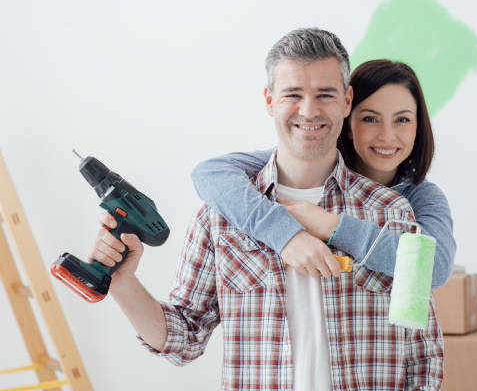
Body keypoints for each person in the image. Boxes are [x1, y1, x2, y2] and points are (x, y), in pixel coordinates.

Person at [89, 28, 443, 390]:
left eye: (325, 94)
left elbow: (423, 352)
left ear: (347, 101)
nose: (309, 110)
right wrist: (123, 281)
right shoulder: (220, 218)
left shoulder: (393, 214)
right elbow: (185, 338)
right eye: (293, 94)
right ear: (269, 100)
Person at [191, 59, 455, 287]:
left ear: (418, 127)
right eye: (370, 119)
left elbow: (436, 268)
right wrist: (284, 234)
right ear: (347, 121)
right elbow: (210, 173)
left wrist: (329, 225)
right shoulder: (312, 167)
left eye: (402, 119)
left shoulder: (419, 199)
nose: (387, 136)